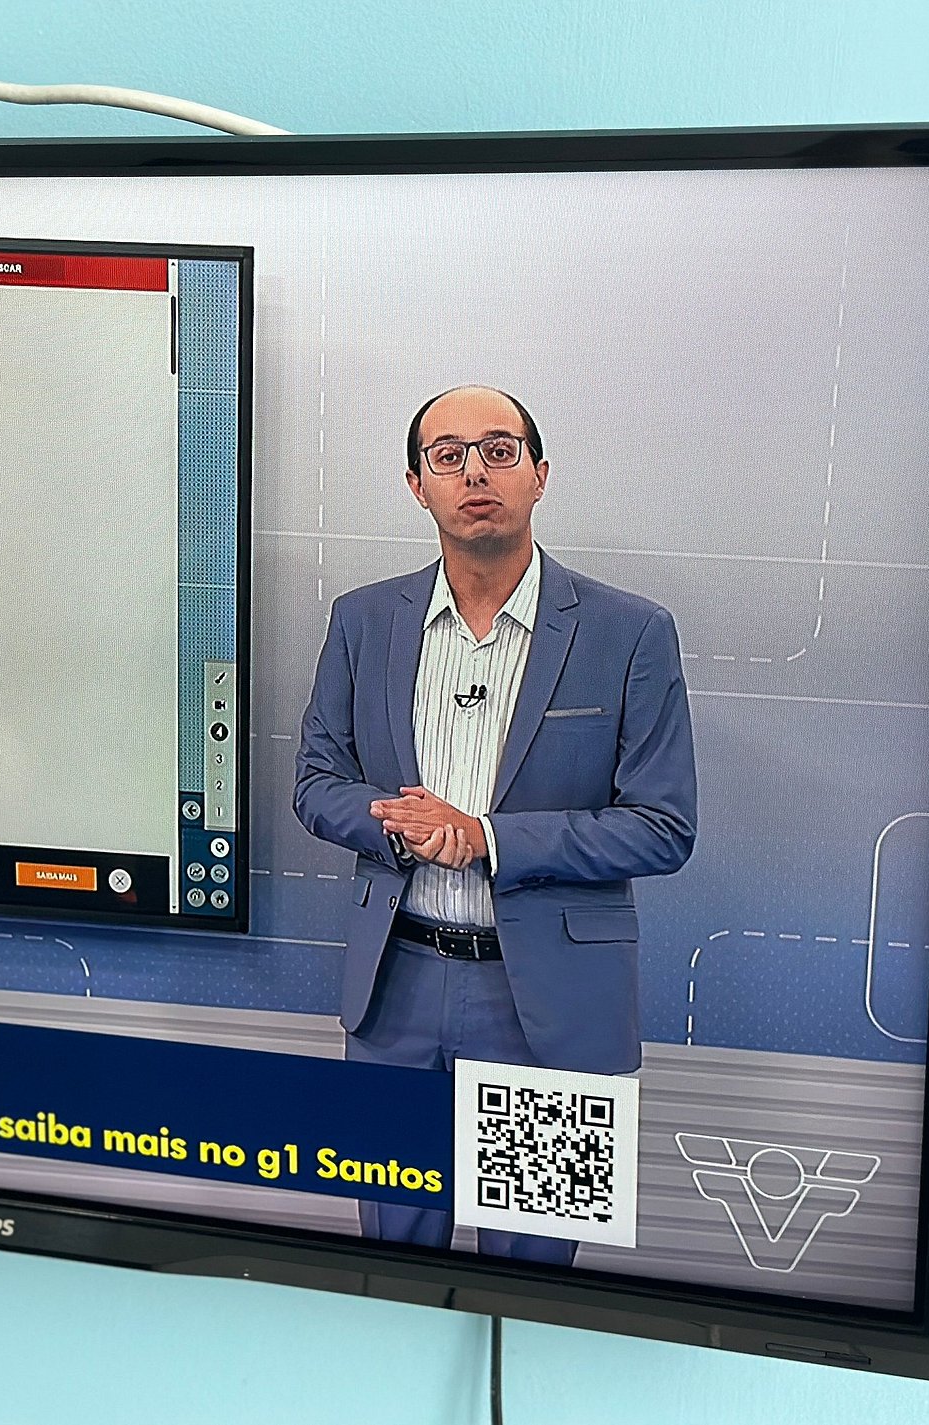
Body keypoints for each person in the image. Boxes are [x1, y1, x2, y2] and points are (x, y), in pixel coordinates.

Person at [293, 385, 696, 1264]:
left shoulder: (631, 632)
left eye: (499, 451)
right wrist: (396, 823)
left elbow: (663, 825)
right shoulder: (363, 621)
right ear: (417, 485)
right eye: (448, 456)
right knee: (394, 1260)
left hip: (546, 998)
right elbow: (316, 783)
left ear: (539, 474)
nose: (474, 471)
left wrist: (487, 838)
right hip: (395, 990)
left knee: (532, 1273)